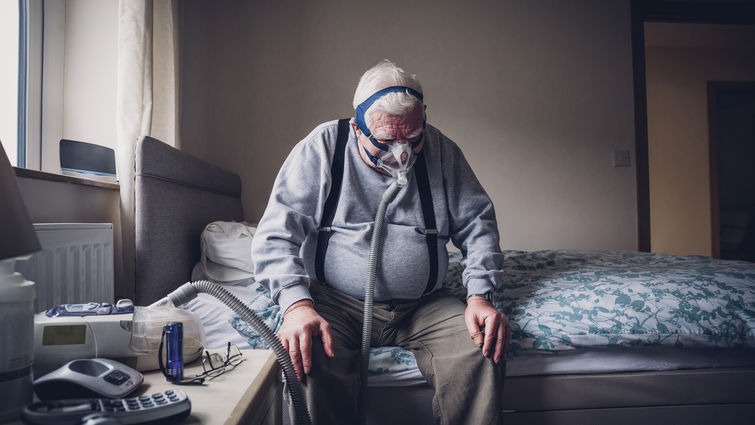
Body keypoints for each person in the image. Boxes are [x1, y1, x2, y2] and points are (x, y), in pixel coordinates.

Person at [252, 59, 508, 425]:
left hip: (424, 305)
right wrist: (295, 307)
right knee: (309, 356)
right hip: (336, 301)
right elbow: (277, 234)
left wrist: (480, 296)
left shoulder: (440, 151)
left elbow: (478, 224)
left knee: (480, 350)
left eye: (412, 138)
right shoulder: (324, 147)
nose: (402, 154)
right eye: (386, 140)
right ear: (358, 128)